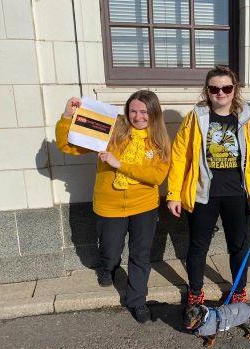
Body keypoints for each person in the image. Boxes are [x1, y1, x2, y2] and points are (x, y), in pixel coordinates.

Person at [55, 90, 170, 323]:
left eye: (144, 112)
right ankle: (108, 267)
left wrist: (120, 164)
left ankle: (137, 301)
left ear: (154, 113)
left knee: (140, 255)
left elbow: (156, 176)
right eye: (133, 111)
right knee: (110, 249)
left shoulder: (160, 140)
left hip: (144, 206)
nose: (138, 117)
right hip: (109, 205)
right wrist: (67, 117)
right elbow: (70, 147)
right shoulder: (113, 129)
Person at [166, 66, 250, 306]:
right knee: (198, 246)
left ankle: (238, 290)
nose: (220, 93)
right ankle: (195, 292)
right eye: (214, 88)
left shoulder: (248, 118)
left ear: (234, 90)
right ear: (207, 91)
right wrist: (173, 194)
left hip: (239, 194)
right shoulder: (196, 117)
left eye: (226, 88)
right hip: (204, 194)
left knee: (239, 246)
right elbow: (180, 157)